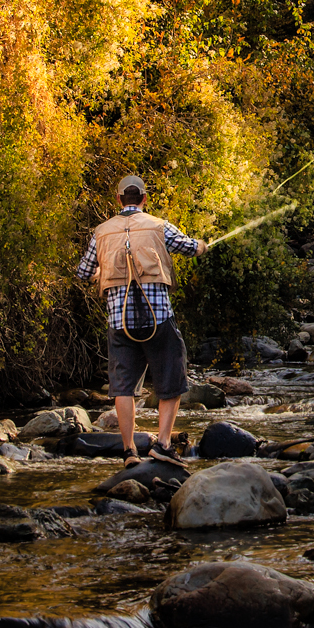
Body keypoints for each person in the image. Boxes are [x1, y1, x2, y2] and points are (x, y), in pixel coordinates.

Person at [74, 175, 208, 463]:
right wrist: (202, 245)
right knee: (171, 380)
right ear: (144, 199)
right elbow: (188, 247)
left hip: (119, 323)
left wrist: (100, 272)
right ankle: (161, 444)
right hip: (159, 319)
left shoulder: (101, 232)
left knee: (123, 387)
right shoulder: (158, 225)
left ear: (119, 200)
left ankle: (129, 451)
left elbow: (83, 272)